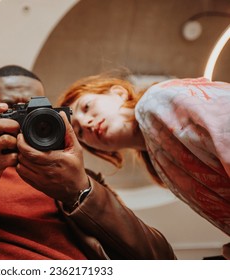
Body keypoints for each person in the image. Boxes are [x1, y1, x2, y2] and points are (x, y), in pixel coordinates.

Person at [0, 65, 176, 260]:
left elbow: (163, 260)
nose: (25, 121)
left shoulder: (84, 180)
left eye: (34, 109)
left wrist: (81, 192)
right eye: (11, 110)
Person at [58, 73, 230, 258]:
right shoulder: (159, 162)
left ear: (119, 92)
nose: (86, 123)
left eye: (86, 106)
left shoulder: (157, 100)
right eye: (80, 133)